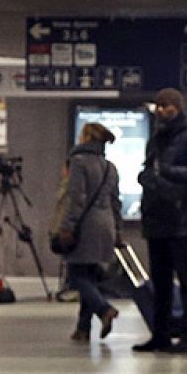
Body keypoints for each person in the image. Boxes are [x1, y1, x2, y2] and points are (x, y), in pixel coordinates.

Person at [137, 87, 187, 354]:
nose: (161, 110)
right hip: (157, 217)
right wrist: (146, 177)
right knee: (160, 280)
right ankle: (160, 333)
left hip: (181, 220)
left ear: (178, 108)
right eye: (158, 106)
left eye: (167, 106)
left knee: (186, 278)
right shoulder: (158, 137)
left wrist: (170, 173)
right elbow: (151, 168)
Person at [53, 122, 122, 342]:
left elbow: (76, 198)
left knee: (76, 277)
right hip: (106, 225)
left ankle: (104, 310)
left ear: (85, 137)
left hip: (86, 226)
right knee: (89, 277)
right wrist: (117, 231)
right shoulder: (110, 167)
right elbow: (116, 203)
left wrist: (67, 227)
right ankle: (83, 329)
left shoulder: (78, 162)